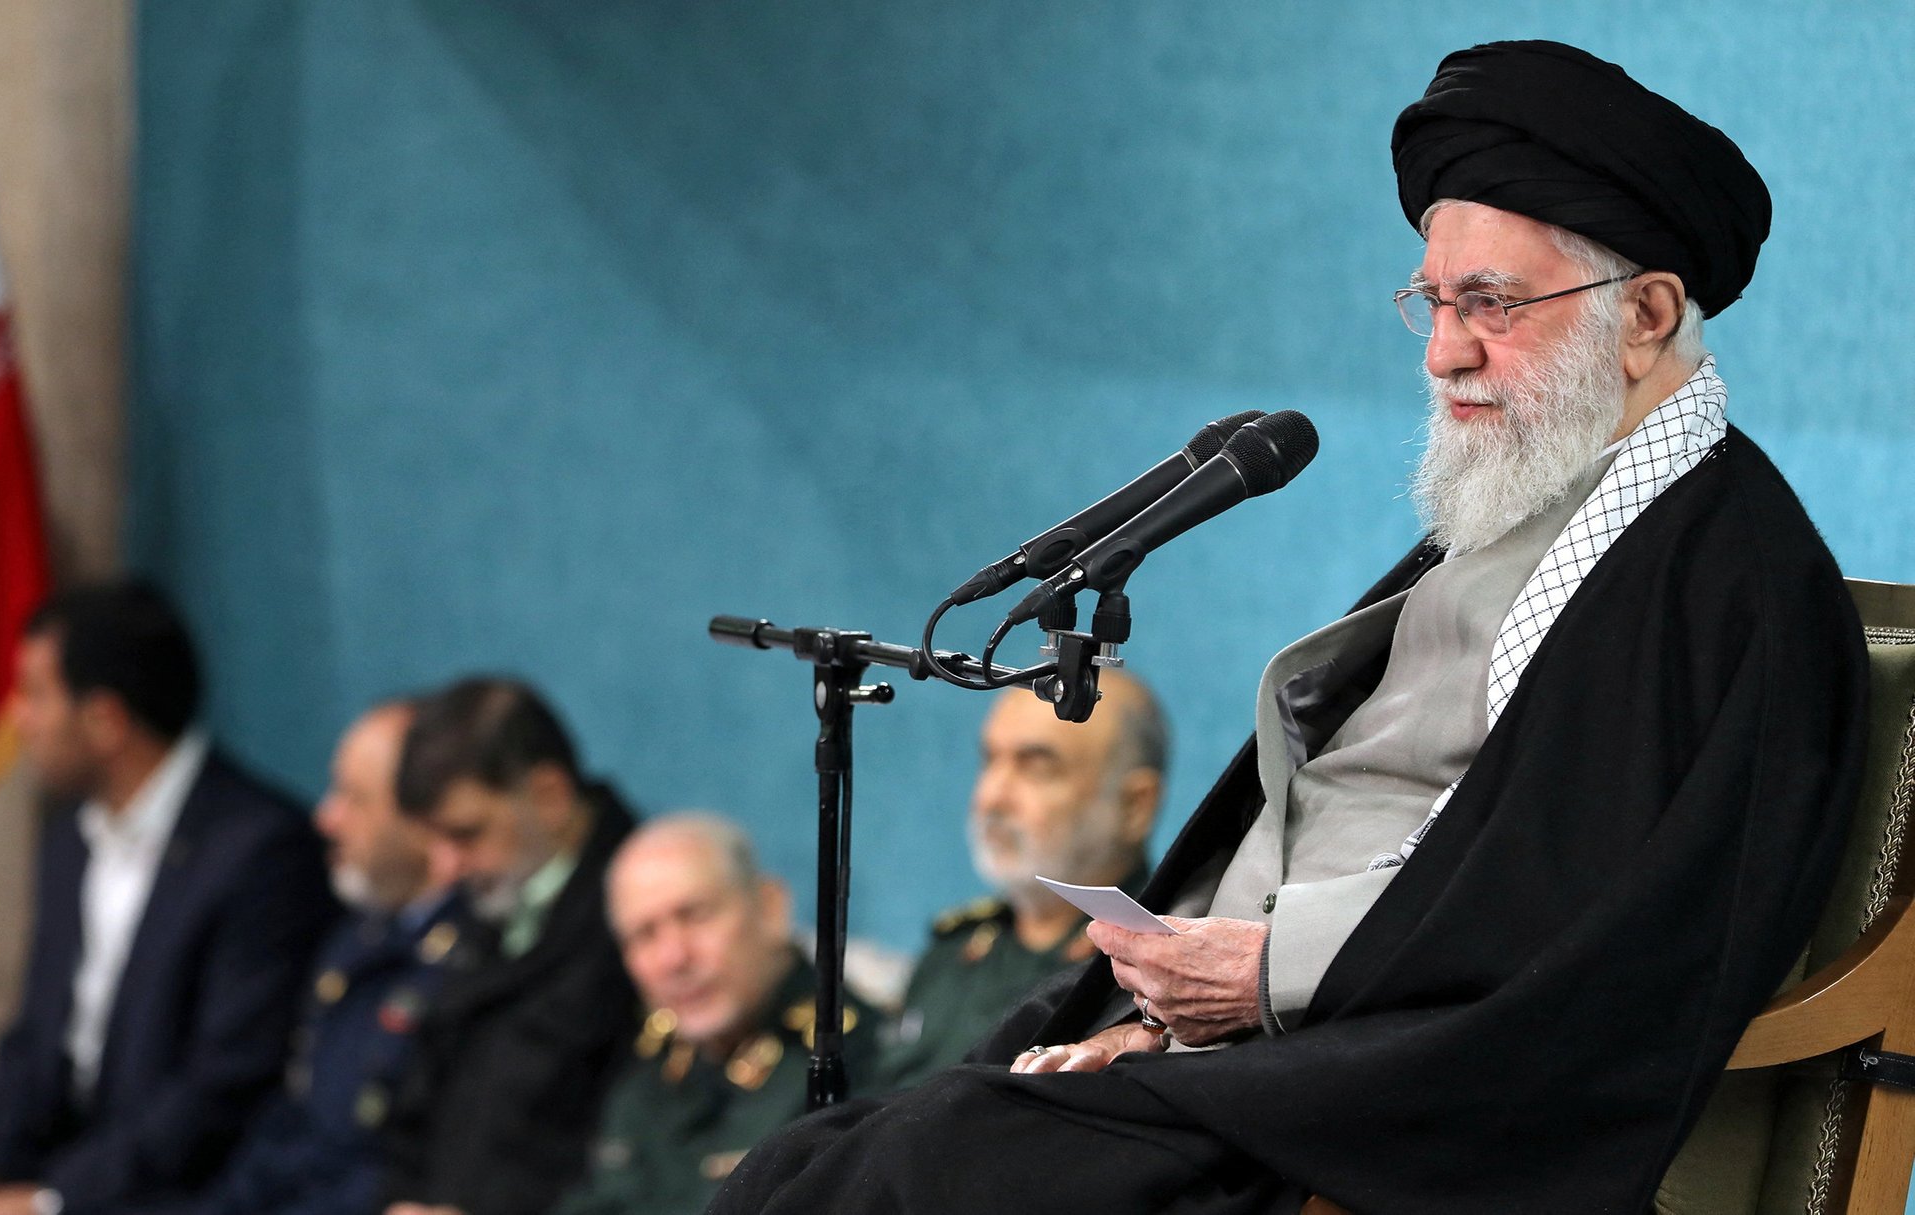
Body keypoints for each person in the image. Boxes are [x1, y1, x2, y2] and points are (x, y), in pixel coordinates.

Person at [711, 40, 1869, 1214]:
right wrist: (1169, 1013)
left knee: (912, 1174)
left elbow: (1612, 937)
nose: (1445, 352)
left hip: (1392, 1103)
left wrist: (1272, 979)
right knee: (806, 1161)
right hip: (1268, 1044)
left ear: (1648, 315)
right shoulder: (1534, 498)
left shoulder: (1731, 583)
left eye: (1491, 304)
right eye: (1433, 302)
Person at [0, 582, 338, 1215]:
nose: (18, 718)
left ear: (106, 721)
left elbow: (225, 1084)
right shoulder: (68, 838)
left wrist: (52, 1201)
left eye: (35, 695)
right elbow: (37, 1037)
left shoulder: (259, 851)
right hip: (62, 1174)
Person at [183, 701, 469, 1215]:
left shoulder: (465, 966)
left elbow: (386, 1167)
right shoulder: (352, 941)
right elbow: (290, 1131)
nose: (327, 818)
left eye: (354, 799)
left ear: (425, 821)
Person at [377, 678, 639, 1215]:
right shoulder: (484, 904)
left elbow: (630, 1157)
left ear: (549, 796)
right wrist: (398, 1201)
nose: (445, 867)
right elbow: (414, 1107)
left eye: (466, 834)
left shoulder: (640, 925)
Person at [553, 813, 881, 1215]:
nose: (674, 958)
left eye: (695, 915)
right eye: (644, 935)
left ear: (770, 907)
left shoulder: (853, 1061)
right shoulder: (647, 1084)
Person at [880, 668, 1165, 1088]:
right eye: (989, 760)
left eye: (1036, 768)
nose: (991, 797)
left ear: (1134, 805)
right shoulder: (953, 953)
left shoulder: (1154, 971)